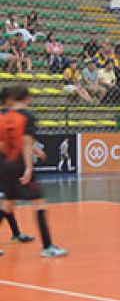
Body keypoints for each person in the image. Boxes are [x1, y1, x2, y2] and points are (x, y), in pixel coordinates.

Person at [0, 85, 66, 256]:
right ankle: (47, 247)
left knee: (7, 205)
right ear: (26, 98)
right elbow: (27, 142)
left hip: (5, 166)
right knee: (39, 203)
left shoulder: (3, 117)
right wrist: (29, 167)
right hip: (21, 165)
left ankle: (32, 240)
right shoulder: (27, 116)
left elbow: (2, 144)